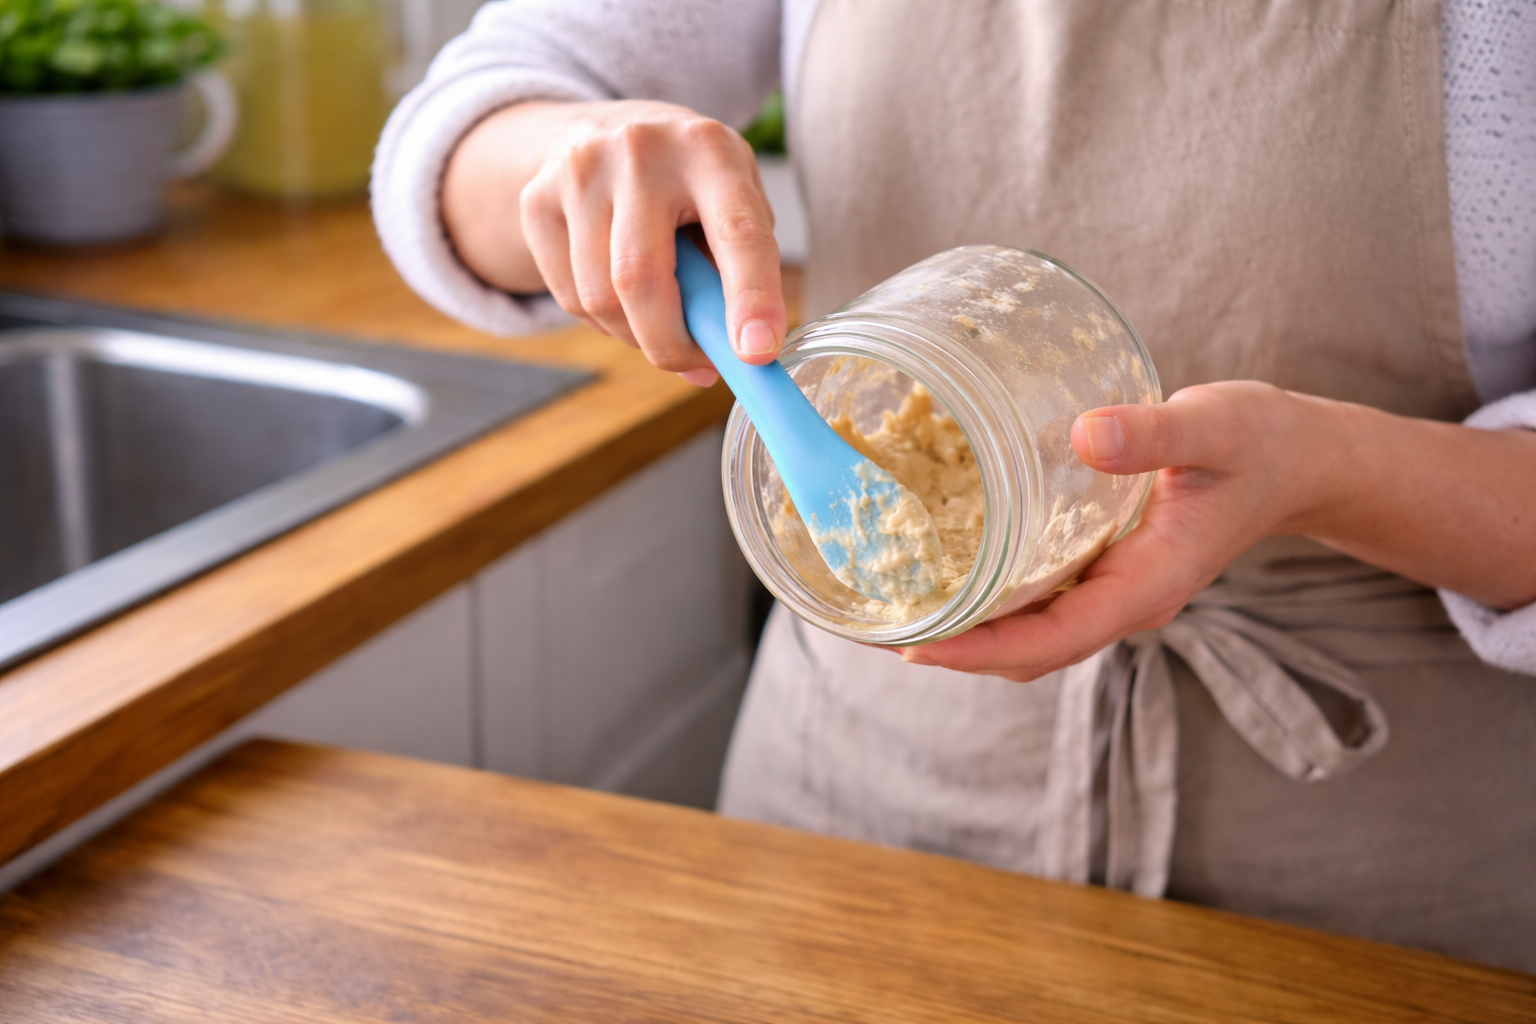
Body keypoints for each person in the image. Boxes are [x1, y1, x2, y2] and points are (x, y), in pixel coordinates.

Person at [373, 0, 1536, 971]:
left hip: (1387, 879)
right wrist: (577, 157)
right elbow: (464, 138)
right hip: (857, 825)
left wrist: (1318, 469)